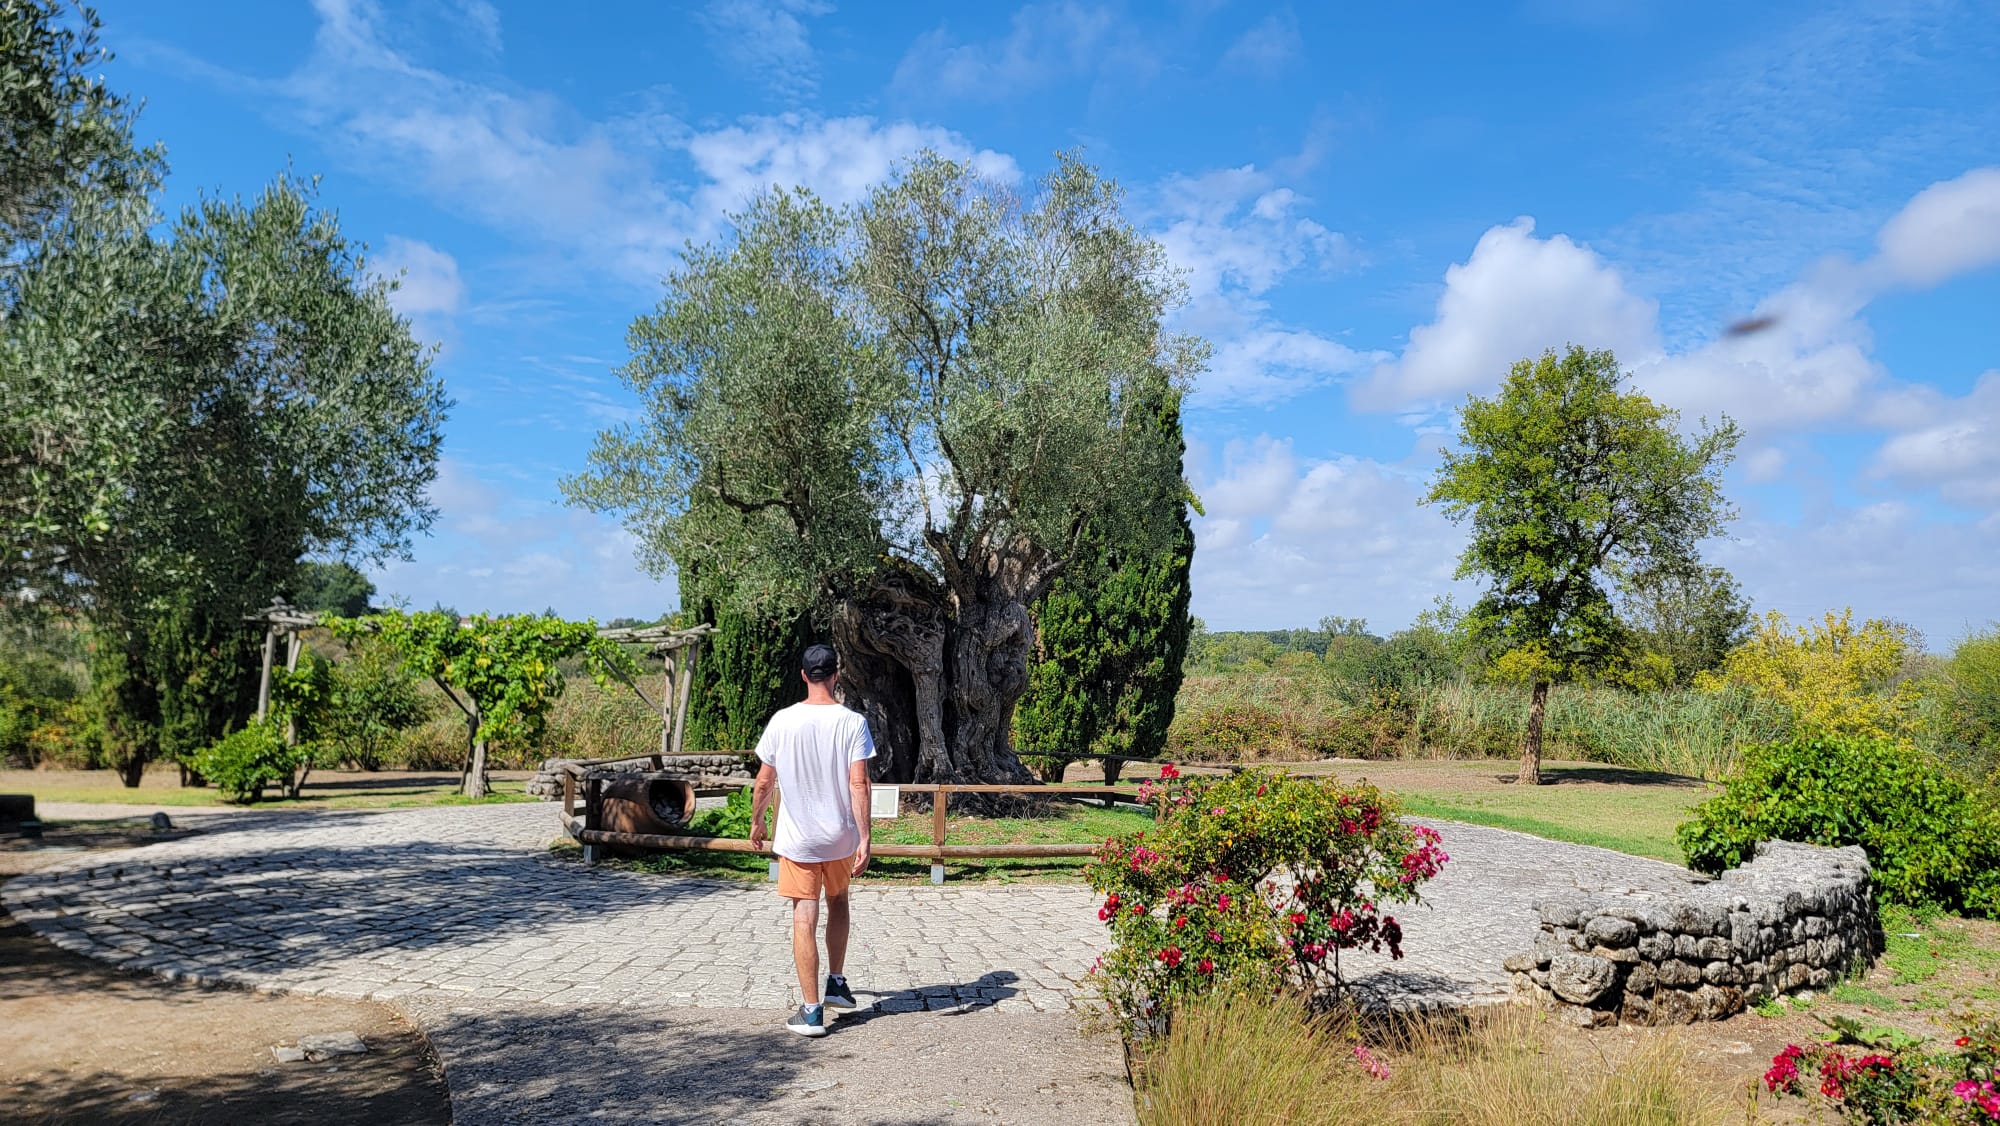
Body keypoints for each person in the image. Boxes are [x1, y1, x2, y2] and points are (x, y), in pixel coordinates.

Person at [749, 643, 875, 1037]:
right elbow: (859, 782)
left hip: (799, 839)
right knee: (839, 902)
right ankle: (836, 982)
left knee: (805, 916)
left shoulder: (782, 722)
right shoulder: (852, 722)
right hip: (839, 836)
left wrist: (757, 822)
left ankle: (811, 1010)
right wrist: (865, 836)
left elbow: (764, 782)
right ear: (837, 674)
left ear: (803, 675)